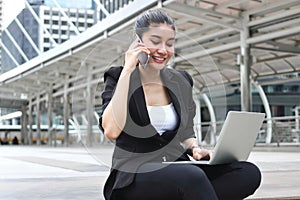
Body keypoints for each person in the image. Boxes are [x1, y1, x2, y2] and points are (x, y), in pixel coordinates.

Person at [99, 9, 261, 200]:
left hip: (177, 166)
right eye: (155, 41)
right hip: (135, 174)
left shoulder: (180, 80)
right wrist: (128, 69)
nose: (163, 50)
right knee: (191, 178)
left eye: (169, 43)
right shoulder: (118, 77)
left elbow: (185, 133)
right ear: (138, 41)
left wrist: (194, 149)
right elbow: (111, 131)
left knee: (247, 172)